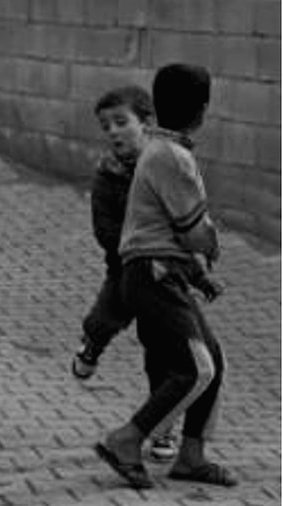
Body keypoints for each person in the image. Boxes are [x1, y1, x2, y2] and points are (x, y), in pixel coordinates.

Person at [94, 63, 235, 489]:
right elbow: (190, 230)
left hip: (159, 271)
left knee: (211, 356)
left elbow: (168, 230)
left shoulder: (161, 151)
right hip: (152, 273)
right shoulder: (173, 157)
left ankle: (191, 457)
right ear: (203, 110)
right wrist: (209, 242)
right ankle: (127, 439)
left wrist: (196, 272)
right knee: (196, 368)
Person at [71, 86, 182, 462]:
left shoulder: (167, 164)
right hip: (125, 268)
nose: (113, 132)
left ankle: (162, 429)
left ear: (147, 124)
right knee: (103, 320)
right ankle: (92, 344)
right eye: (106, 126)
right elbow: (104, 230)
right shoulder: (107, 175)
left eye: (122, 122)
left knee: (163, 353)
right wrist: (140, 247)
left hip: (164, 274)